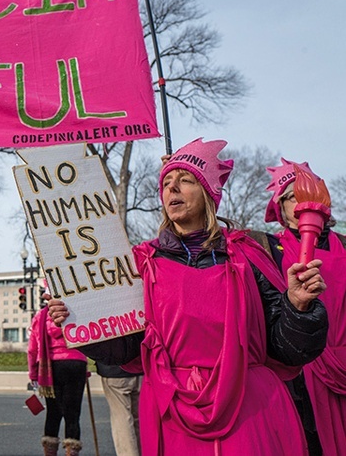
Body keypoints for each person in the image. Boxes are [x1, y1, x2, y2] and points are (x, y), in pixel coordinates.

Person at [48, 138, 329, 454]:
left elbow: (285, 349)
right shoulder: (140, 263)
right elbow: (125, 348)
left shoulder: (249, 256)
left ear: (210, 194)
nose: (173, 189)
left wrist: (298, 307)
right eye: (167, 183)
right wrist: (81, 319)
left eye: (185, 180)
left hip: (250, 411)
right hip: (173, 412)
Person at [255, 158, 346, 455]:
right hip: (299, 372)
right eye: (292, 196)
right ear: (280, 207)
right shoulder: (265, 248)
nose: (301, 204)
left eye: (309, 195)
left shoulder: (344, 245)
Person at [28, 306, 88, 456]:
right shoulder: (76, 311)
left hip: (51, 367)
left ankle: (50, 451)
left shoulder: (41, 316)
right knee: (73, 413)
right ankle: (72, 451)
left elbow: (32, 349)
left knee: (53, 412)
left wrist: (34, 374)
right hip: (76, 363)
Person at [94, 361, 141, 456]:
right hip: (140, 368)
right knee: (139, 418)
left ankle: (128, 453)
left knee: (121, 418)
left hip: (114, 370)